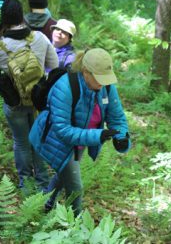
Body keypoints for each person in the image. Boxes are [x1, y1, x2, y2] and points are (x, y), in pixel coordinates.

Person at [29, 48, 131, 216]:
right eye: (99, 79)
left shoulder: (106, 87)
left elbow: (117, 116)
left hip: (81, 141)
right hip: (55, 140)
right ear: (85, 72)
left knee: (64, 175)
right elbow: (62, 129)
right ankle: (74, 227)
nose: (103, 83)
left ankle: (45, 204)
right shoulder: (65, 86)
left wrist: (122, 137)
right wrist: (98, 135)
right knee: (75, 187)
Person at [0, 0, 58, 193]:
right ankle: (43, 183)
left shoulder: (1, 47)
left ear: (4, 19)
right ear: (22, 16)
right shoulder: (40, 38)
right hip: (38, 101)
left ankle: (25, 185)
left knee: (21, 142)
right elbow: (55, 63)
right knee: (38, 139)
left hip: (15, 102)